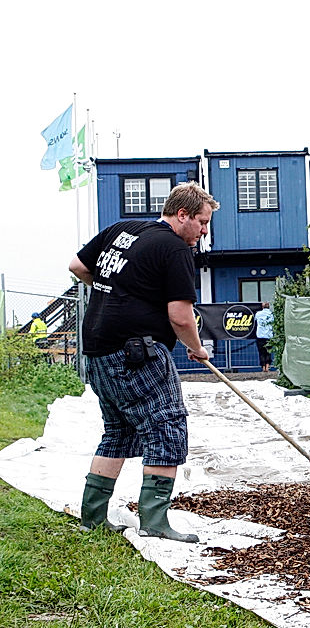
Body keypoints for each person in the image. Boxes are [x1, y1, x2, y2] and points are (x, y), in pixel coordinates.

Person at [68, 182, 216, 542]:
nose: (204, 231)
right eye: (201, 221)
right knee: (167, 427)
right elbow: (181, 317)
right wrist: (197, 349)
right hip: (137, 354)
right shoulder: (175, 249)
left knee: (118, 432)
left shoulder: (121, 229)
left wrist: (121, 291)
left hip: (98, 350)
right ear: (182, 215)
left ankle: (92, 517)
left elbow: (77, 266)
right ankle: (155, 522)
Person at [253, 302, 273, 372]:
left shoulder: (258, 314)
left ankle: (263, 367)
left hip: (260, 336)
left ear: (262, 307)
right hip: (269, 336)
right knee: (268, 352)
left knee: (261, 352)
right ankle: (267, 366)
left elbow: (255, 320)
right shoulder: (271, 314)